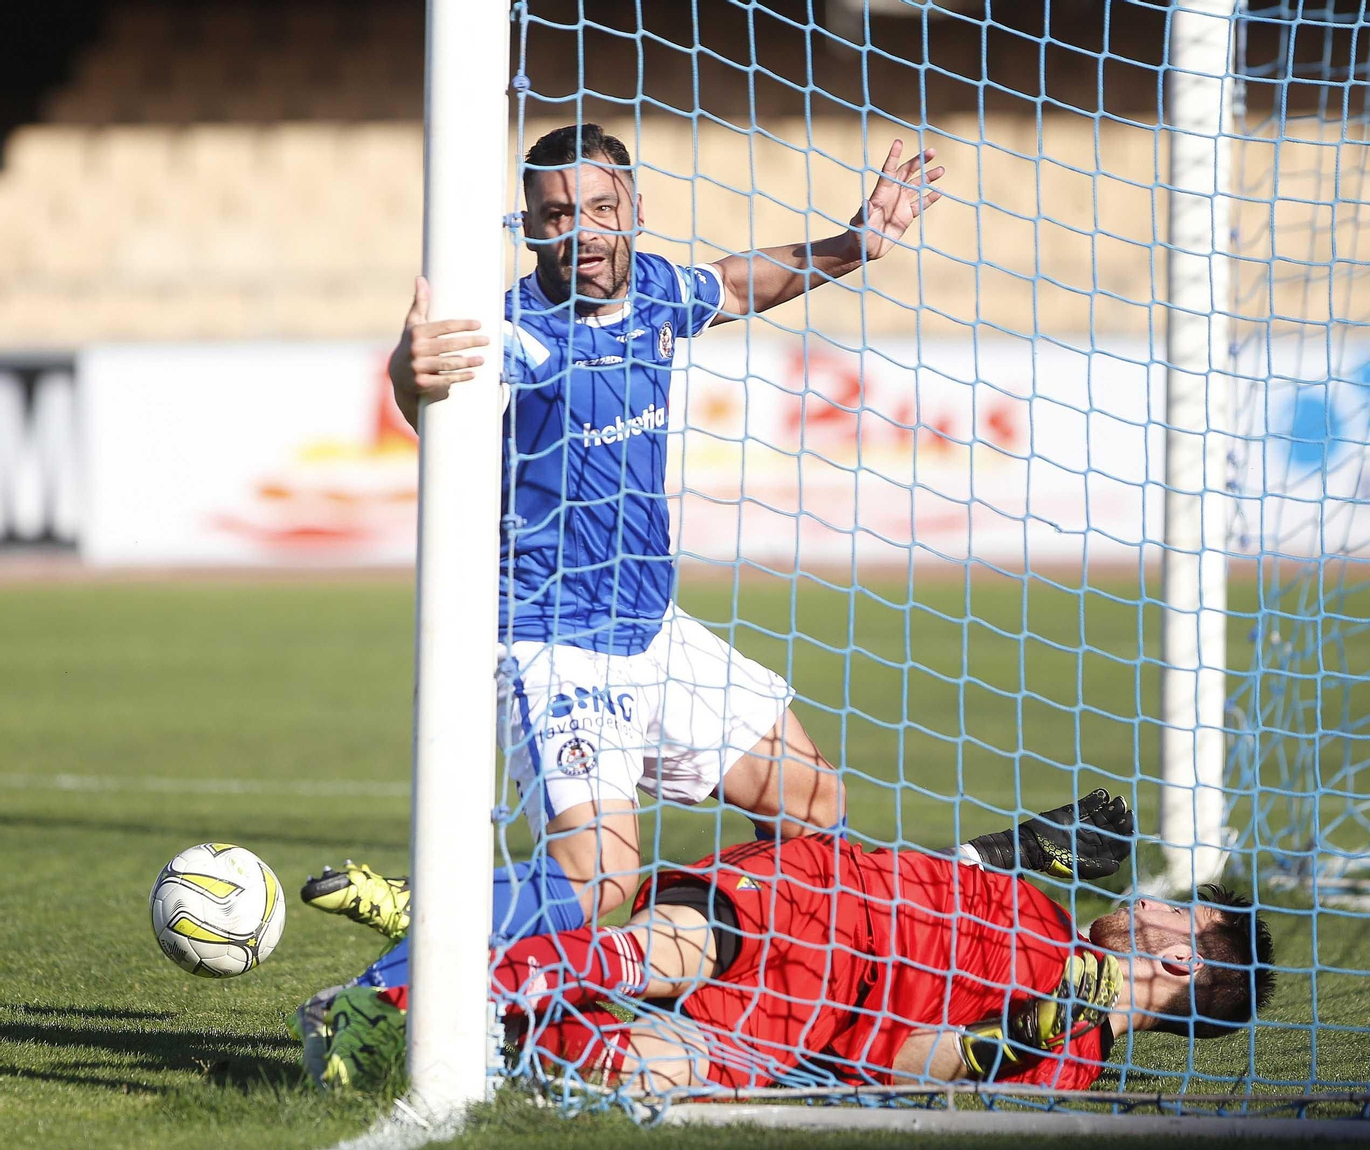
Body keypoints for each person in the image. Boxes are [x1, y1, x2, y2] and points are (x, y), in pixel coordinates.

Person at [365, 122, 947, 947]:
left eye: (602, 207)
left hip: (655, 634)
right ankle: (410, 947)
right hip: (553, 640)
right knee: (600, 880)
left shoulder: (659, 296)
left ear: (635, 207)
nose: (584, 231)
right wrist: (405, 372)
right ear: (529, 226)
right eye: (559, 214)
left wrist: (851, 246)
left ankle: (753, 975)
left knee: (815, 807)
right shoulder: (513, 336)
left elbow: (739, 285)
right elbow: (428, 400)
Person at [294, 794, 1275, 1095]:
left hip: (808, 1021)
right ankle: (390, 1009)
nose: (1156, 901)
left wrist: (1010, 1039)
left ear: (1185, 957)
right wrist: (1016, 846)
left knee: (636, 1072)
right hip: (805, 900)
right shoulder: (1047, 908)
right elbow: (910, 878)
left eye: (1179, 909)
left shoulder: (1068, 1063)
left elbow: (905, 1061)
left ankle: (446, 934)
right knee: (649, 947)